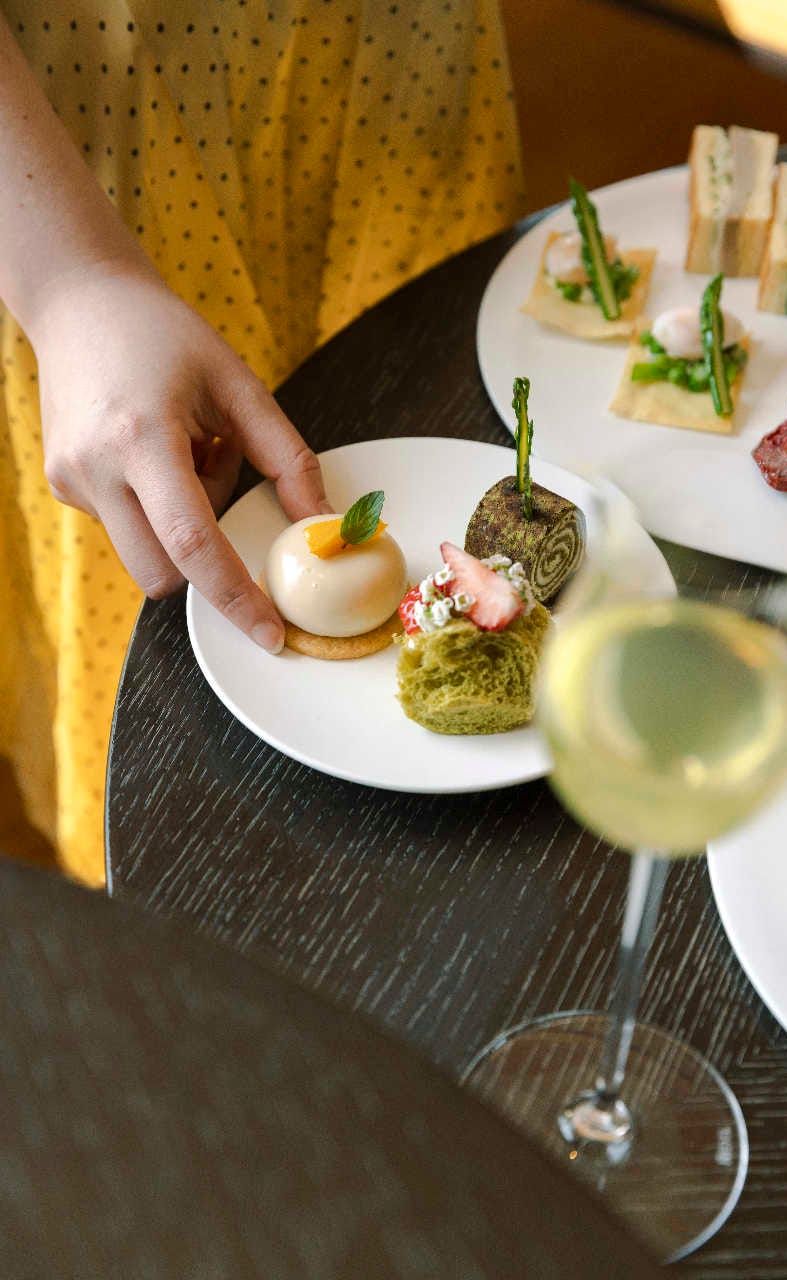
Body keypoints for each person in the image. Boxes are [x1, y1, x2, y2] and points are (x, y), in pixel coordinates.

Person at [0, 1, 525, 885]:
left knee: (414, 377)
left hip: (380, 49)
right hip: (72, 136)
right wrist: (68, 279)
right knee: (157, 517)